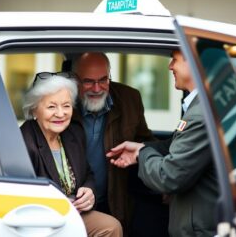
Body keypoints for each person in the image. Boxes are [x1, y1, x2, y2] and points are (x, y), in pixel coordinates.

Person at [107, 50, 219, 237]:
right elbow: (178, 145)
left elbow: (168, 176)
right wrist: (144, 147)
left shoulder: (201, 114)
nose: (170, 66)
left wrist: (141, 155)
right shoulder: (203, 105)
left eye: (174, 60)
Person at [72, 52, 169, 236]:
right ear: (75, 81)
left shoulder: (129, 99)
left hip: (116, 199)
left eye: (103, 80)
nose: (97, 88)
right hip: (74, 203)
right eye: (88, 81)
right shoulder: (62, 104)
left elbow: (145, 141)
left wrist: (166, 177)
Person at [20, 72, 122, 237]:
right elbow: (21, 194)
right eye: (51, 107)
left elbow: (87, 173)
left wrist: (89, 191)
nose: (61, 114)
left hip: (74, 212)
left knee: (111, 227)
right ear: (34, 110)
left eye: (66, 105)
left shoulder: (74, 133)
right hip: (44, 219)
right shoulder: (24, 141)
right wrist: (57, 204)